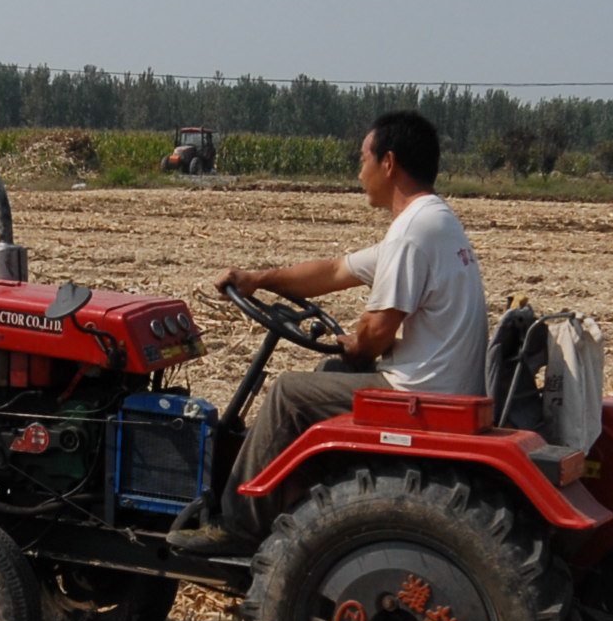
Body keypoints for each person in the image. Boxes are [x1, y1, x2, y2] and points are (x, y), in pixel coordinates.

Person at [174, 109, 488, 554]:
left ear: (389, 163)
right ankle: (295, 507)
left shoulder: (411, 233)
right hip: (443, 387)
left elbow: (375, 335)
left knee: (288, 394)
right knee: (328, 368)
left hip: (422, 395)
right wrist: (258, 279)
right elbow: (336, 270)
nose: (359, 172)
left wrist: (355, 343)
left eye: (363, 159)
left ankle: (237, 525)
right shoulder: (435, 220)